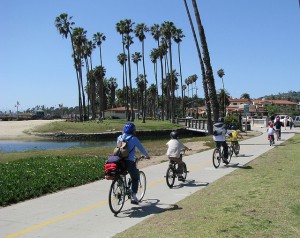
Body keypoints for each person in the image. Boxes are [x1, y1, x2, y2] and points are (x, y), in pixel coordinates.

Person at [117, 122, 150, 205]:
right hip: (129, 162)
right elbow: (141, 148)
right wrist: (147, 155)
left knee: (120, 174)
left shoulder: (119, 137)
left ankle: (121, 187)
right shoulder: (133, 138)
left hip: (119, 161)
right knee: (135, 177)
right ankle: (133, 196)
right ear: (133, 130)